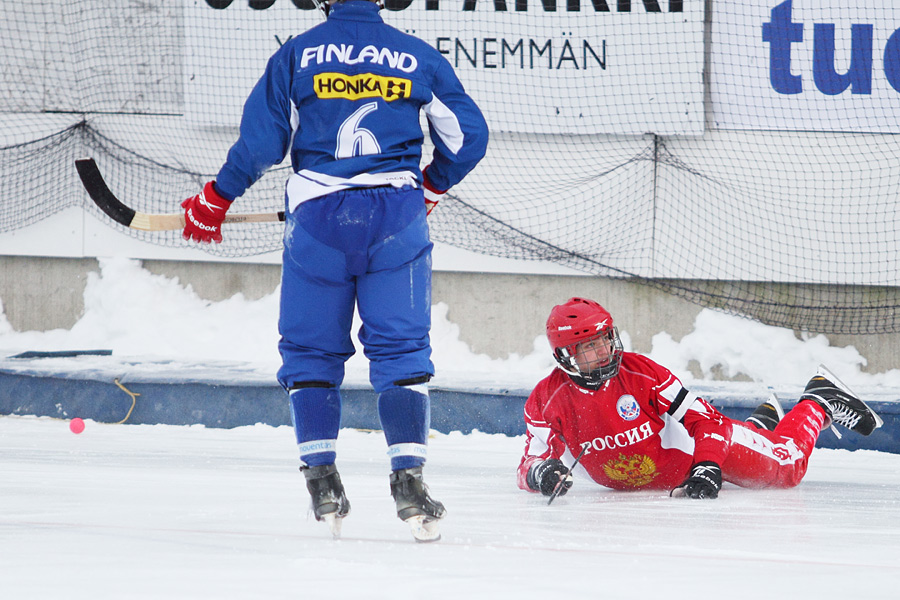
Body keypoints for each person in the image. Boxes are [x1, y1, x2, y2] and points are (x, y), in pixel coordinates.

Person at [180, 0, 488, 541]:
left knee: (311, 352)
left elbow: (260, 143)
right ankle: (409, 482)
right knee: (400, 350)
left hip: (318, 220)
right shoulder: (417, 56)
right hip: (396, 218)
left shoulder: (297, 53)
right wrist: (433, 184)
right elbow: (467, 138)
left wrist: (215, 197)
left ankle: (322, 479)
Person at [517, 297, 884, 500]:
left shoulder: (643, 373)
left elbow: (705, 422)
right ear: (566, 356)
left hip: (706, 452)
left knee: (787, 470)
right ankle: (759, 427)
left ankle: (818, 400)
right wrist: (541, 472)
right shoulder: (546, 400)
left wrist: (707, 464)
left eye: (604, 340)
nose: (604, 352)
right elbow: (530, 461)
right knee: (762, 456)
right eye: (589, 347)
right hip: (674, 475)